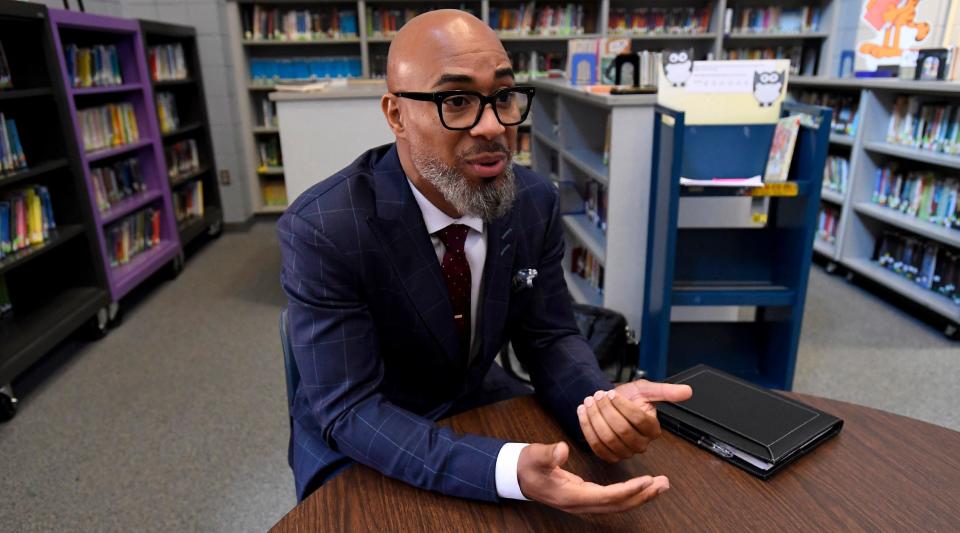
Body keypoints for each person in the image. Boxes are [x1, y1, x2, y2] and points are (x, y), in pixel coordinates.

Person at [277, 9, 692, 514]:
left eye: (502, 96)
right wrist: (500, 468)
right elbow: (348, 407)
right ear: (396, 115)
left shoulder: (532, 200)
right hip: (363, 433)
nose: (493, 125)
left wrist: (598, 405)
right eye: (456, 100)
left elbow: (549, 336)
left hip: (473, 396)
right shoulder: (327, 227)